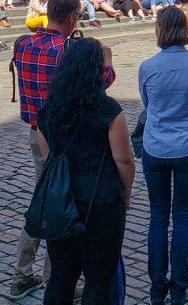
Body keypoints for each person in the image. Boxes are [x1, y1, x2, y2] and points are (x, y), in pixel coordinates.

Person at [10, 0, 116, 301]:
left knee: (45, 198)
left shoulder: (23, 43)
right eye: (79, 16)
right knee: (56, 205)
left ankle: (25, 273)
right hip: (66, 135)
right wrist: (106, 58)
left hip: (35, 132)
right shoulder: (67, 50)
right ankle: (51, 277)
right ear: (70, 18)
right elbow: (100, 82)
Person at [37, 38, 134, 305]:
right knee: (99, 277)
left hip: (61, 198)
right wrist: (126, 194)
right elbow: (123, 160)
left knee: (62, 275)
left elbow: (49, 156)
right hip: (100, 198)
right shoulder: (108, 110)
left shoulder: (49, 110)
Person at [139, 7, 188, 305]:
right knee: (182, 216)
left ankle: (157, 288)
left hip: (155, 145)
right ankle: (179, 289)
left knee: (158, 216)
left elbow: (146, 103)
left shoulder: (147, 67)